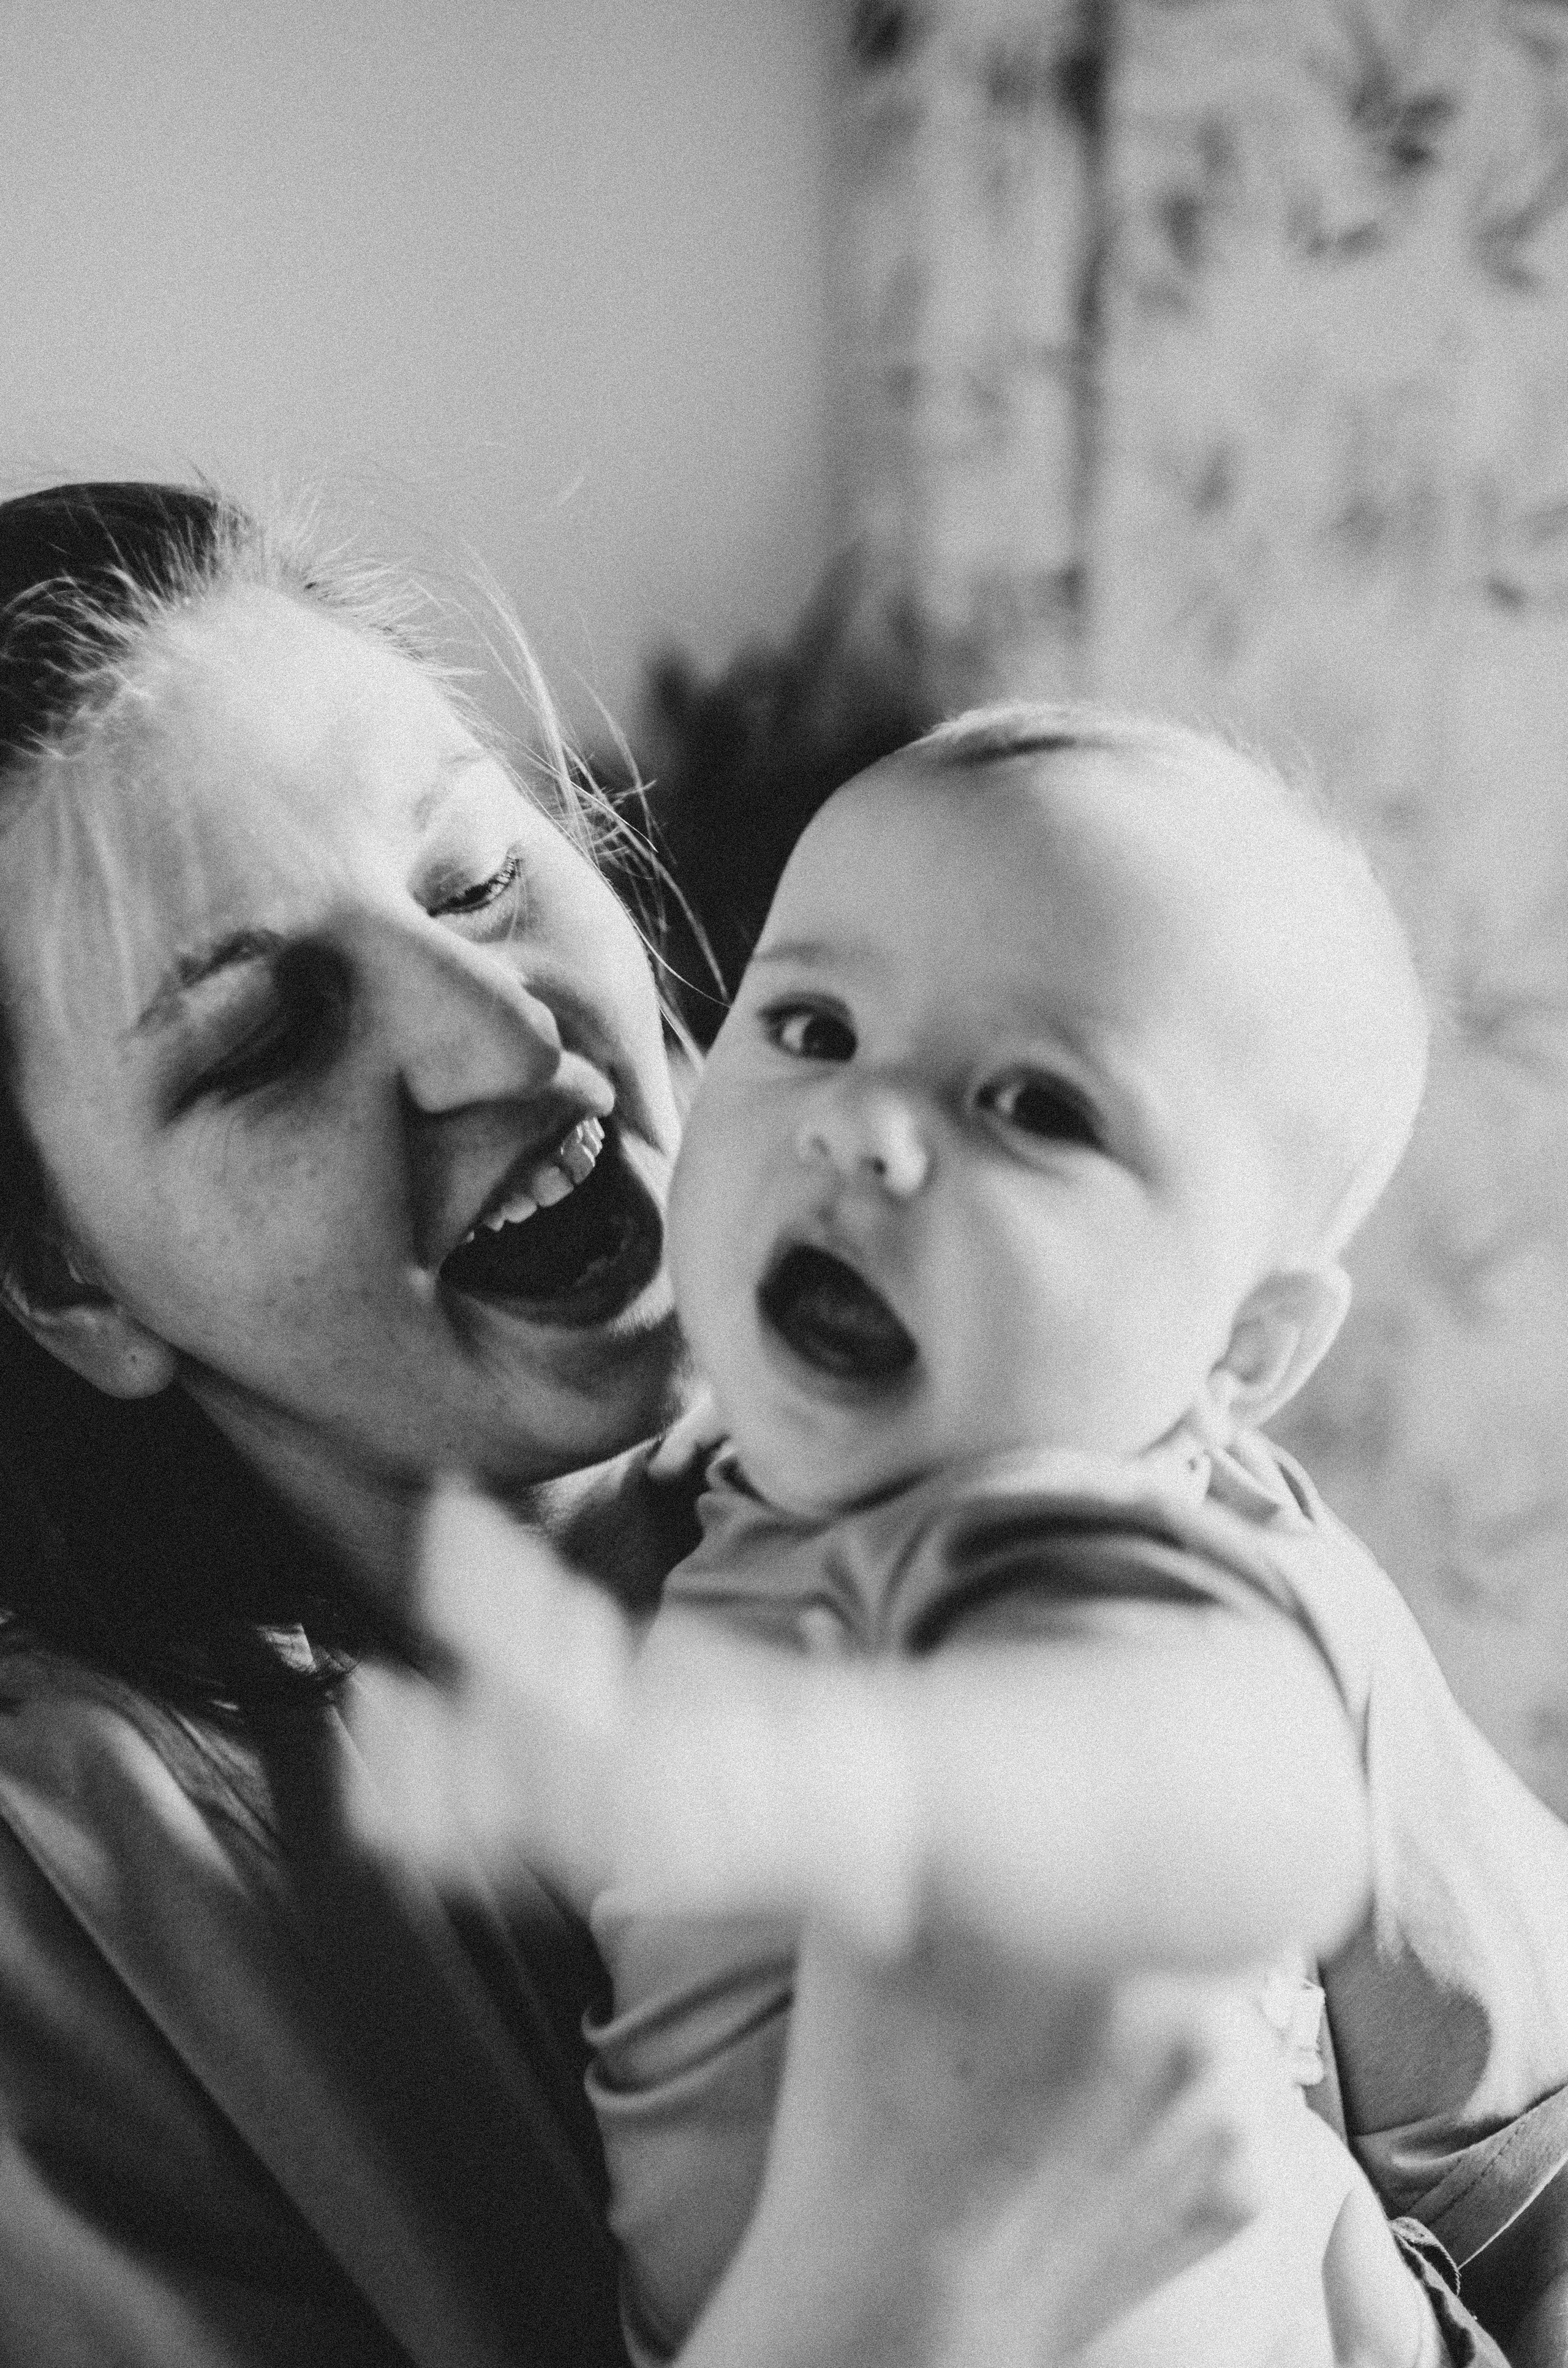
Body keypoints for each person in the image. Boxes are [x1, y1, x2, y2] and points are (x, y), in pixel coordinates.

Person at [0, 480, 1315, 2368]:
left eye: (477, 880)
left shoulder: (1096, 1445)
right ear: (70, 1282)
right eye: (271, 1035)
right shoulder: (79, 1905)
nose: (500, 1037)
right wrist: (901, 2286)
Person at [358, 711, 1568, 2361]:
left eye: (1034, 1105)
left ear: (1240, 1351)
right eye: (813, 1025)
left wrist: (700, 1784)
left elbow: (1247, 1794)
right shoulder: (768, 1513)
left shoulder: (1074, 1541)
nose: (864, 1120)